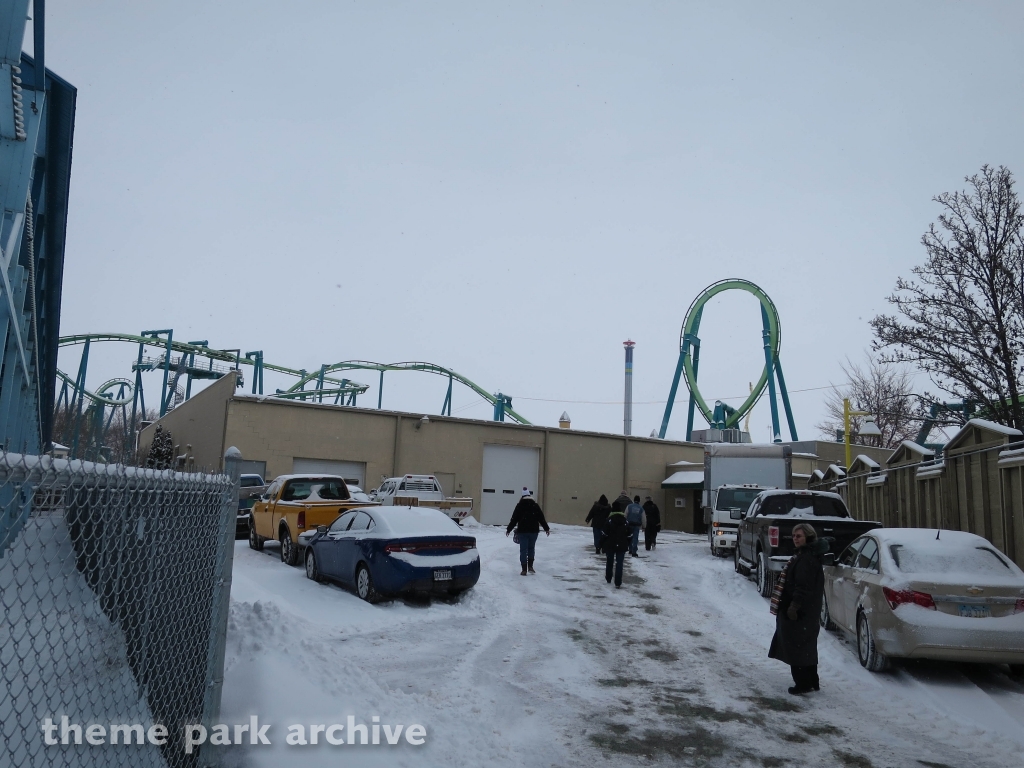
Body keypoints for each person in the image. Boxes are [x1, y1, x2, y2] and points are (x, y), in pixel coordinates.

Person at [768, 522, 829, 695]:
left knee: (796, 647)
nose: (795, 539)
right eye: (794, 536)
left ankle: (803, 683)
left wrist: (793, 607)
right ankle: (812, 681)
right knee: (806, 646)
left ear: (808, 537)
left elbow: (803, 587)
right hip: (807, 611)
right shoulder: (807, 556)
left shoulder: (806, 560)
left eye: (799, 536)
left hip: (800, 612)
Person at [505, 488, 550, 575]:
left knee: (523, 550)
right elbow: (541, 518)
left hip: (523, 531)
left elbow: (514, 519)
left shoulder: (519, 506)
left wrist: (509, 529)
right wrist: (546, 529)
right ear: (530, 496)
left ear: (522, 496)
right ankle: (530, 566)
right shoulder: (535, 506)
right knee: (531, 548)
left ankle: (524, 569)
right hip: (534, 531)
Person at [602, 503, 631, 587]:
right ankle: (618, 582)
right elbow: (629, 534)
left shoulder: (609, 520)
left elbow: (604, 533)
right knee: (619, 563)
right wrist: (627, 543)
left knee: (609, 561)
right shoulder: (625, 521)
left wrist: (602, 543)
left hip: (610, 545)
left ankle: (608, 577)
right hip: (622, 545)